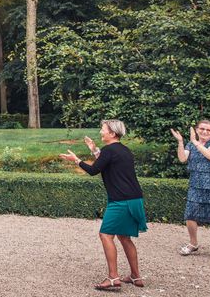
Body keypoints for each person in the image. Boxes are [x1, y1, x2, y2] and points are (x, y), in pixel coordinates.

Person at [60, 119, 147, 291]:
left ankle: (113, 278)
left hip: (121, 201)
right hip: (134, 198)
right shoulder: (123, 150)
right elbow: (106, 162)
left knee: (105, 235)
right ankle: (136, 276)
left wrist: (76, 160)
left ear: (112, 133)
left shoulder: (109, 150)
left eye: (103, 129)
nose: (100, 132)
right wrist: (93, 150)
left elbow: (94, 170)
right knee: (124, 237)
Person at [171, 120, 210, 258]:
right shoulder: (191, 144)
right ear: (197, 129)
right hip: (195, 183)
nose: (205, 132)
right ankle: (193, 244)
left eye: (208, 130)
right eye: (202, 129)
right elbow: (182, 158)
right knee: (190, 214)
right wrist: (181, 142)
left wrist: (195, 141)